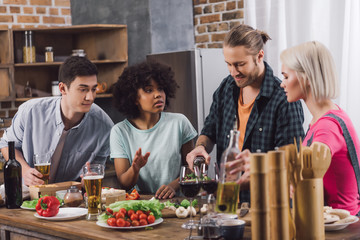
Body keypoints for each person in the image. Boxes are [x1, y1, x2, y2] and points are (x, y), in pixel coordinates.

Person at [186, 24, 305, 203]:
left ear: (259, 56)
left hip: (267, 207)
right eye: (228, 64)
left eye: (240, 64)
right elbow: (209, 131)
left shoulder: (283, 98)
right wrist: (200, 148)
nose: (233, 72)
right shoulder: (226, 88)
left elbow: (292, 164)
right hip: (227, 202)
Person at [0, 56, 114, 186]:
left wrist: (90, 176)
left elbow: (97, 166)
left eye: (93, 89)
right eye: (83, 89)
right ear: (62, 88)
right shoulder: (31, 111)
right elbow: (6, 145)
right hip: (26, 195)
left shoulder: (104, 125)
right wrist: (25, 170)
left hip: (69, 199)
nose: (90, 97)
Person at [280, 41, 360, 216]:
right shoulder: (329, 116)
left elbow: (304, 181)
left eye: (286, 77)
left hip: (340, 227)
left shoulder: (326, 127)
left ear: (306, 77)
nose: (282, 84)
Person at [110, 61, 197, 199]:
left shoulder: (179, 123)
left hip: (178, 203)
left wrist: (174, 185)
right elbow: (124, 183)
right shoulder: (119, 131)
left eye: (161, 89)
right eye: (149, 90)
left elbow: (192, 169)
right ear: (134, 98)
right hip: (140, 206)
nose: (158, 95)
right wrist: (135, 168)